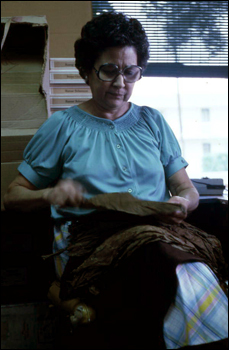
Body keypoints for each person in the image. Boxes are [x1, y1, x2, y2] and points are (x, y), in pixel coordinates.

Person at [4, 12, 228, 349]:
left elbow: (186, 188)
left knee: (217, 222)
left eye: (130, 71)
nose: (120, 82)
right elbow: (13, 196)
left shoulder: (152, 121)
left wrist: (183, 201)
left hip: (158, 228)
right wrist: (52, 193)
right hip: (90, 236)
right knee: (158, 258)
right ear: (86, 71)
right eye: (109, 70)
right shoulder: (63, 126)